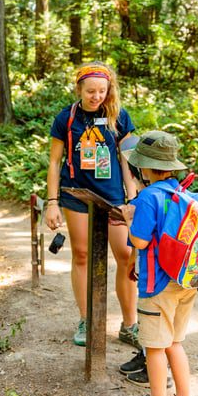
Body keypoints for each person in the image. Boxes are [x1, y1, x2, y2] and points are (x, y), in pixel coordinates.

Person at [45, 61, 140, 348]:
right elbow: (54, 162)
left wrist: (133, 198)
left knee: (126, 257)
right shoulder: (65, 119)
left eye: (102, 91)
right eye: (90, 91)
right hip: (76, 196)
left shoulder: (120, 116)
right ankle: (88, 320)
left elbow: (128, 160)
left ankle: (129, 325)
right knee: (83, 255)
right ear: (79, 89)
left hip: (112, 198)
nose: (96, 96)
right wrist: (52, 203)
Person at [120, 131, 198, 396]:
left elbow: (139, 242)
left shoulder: (148, 197)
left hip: (157, 287)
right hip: (186, 283)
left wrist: (130, 218)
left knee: (154, 348)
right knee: (175, 343)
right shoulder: (184, 193)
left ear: (143, 168)